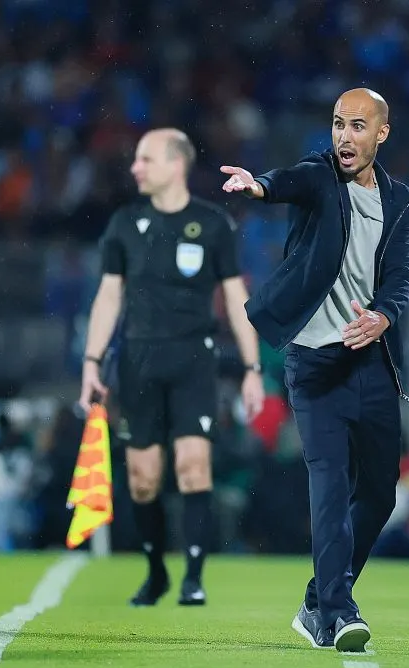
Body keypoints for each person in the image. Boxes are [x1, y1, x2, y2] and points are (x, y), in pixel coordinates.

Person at [221, 88, 409, 652]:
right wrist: (256, 185)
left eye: (357, 126)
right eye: (336, 124)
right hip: (313, 363)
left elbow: (400, 276)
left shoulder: (399, 200)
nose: (343, 137)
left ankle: (316, 601)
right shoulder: (319, 177)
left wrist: (382, 316)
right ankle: (338, 610)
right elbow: (285, 180)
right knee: (329, 484)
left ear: (381, 133)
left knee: (379, 492)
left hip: (369, 360)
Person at [79, 128, 265, 607]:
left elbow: (235, 296)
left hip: (193, 360)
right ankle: (156, 571)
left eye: (146, 159)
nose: (135, 168)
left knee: (192, 465)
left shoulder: (213, 224)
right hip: (139, 361)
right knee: (143, 477)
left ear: (175, 165)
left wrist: (251, 367)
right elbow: (108, 296)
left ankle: (194, 577)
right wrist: (91, 362)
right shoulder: (124, 223)